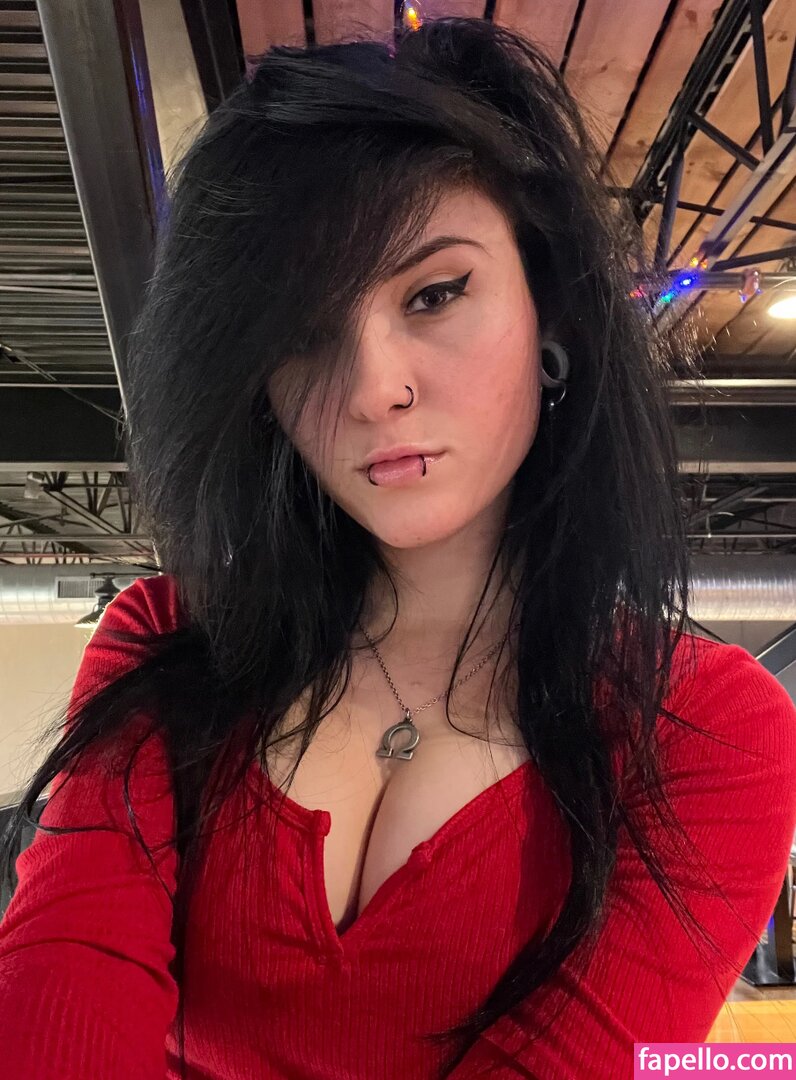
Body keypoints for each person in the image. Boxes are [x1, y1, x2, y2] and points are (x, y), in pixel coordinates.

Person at [1, 16, 795, 1080]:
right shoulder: (170, 645)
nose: (374, 389)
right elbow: (62, 995)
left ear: (550, 316)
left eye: (435, 294)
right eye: (302, 330)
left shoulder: (705, 731)